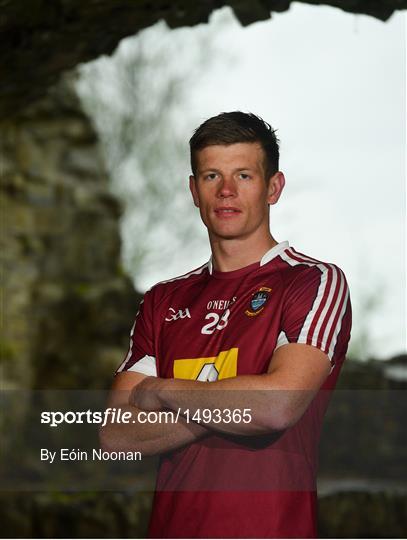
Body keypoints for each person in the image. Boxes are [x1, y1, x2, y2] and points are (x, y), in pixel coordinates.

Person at [102, 111, 352, 538]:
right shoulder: (164, 300)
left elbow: (277, 407)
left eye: (244, 175)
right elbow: (116, 435)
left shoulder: (312, 280)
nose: (227, 191)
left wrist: (162, 390)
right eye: (211, 176)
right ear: (193, 191)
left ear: (273, 187)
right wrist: (241, 402)